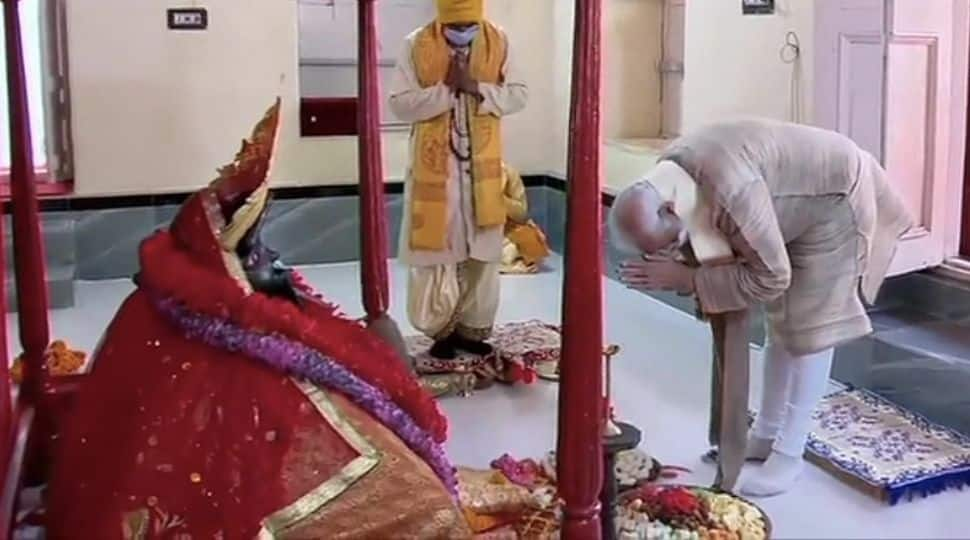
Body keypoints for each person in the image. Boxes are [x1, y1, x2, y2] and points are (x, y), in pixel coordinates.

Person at [45, 101, 471, 538]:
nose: (272, 261)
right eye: (255, 249)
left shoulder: (184, 299)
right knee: (429, 511)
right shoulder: (230, 337)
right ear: (228, 262)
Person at [609, 118, 912, 497]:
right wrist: (683, 260)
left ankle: (790, 454)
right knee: (779, 325)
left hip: (836, 199)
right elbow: (701, 238)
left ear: (670, 208)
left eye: (671, 241)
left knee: (811, 329)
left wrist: (688, 279)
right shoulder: (667, 175)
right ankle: (766, 433)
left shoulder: (732, 191)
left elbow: (771, 278)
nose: (673, 249)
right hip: (796, 196)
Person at [390, 0, 528, 360]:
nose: (463, 33)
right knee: (436, 254)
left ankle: (472, 329)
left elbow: (519, 94)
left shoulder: (500, 40)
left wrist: (476, 88)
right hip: (435, 172)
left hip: (483, 173)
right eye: (457, 26)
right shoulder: (414, 44)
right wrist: (447, 91)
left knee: (482, 253)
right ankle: (441, 330)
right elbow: (399, 104)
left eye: (470, 24)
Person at [501, 163, 550, 274]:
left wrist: (500, 197)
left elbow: (521, 215)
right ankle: (505, 266)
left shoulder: (508, 172)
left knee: (532, 238)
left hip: (505, 232)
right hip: (481, 233)